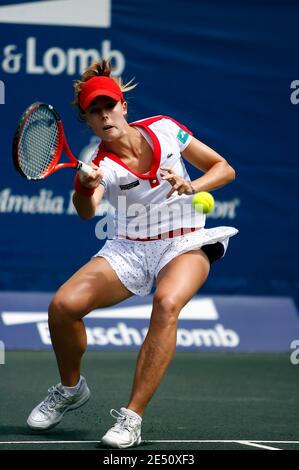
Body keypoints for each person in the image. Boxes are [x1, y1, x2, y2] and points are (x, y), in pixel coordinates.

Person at [27, 60, 238, 448]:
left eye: (109, 105)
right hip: (130, 248)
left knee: (167, 301)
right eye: (95, 110)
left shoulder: (165, 128)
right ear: (88, 121)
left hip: (185, 240)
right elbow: (87, 209)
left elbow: (224, 169)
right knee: (62, 306)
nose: (104, 114)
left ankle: (131, 418)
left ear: (124, 106)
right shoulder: (100, 164)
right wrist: (81, 185)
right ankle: (71, 389)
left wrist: (194, 187)